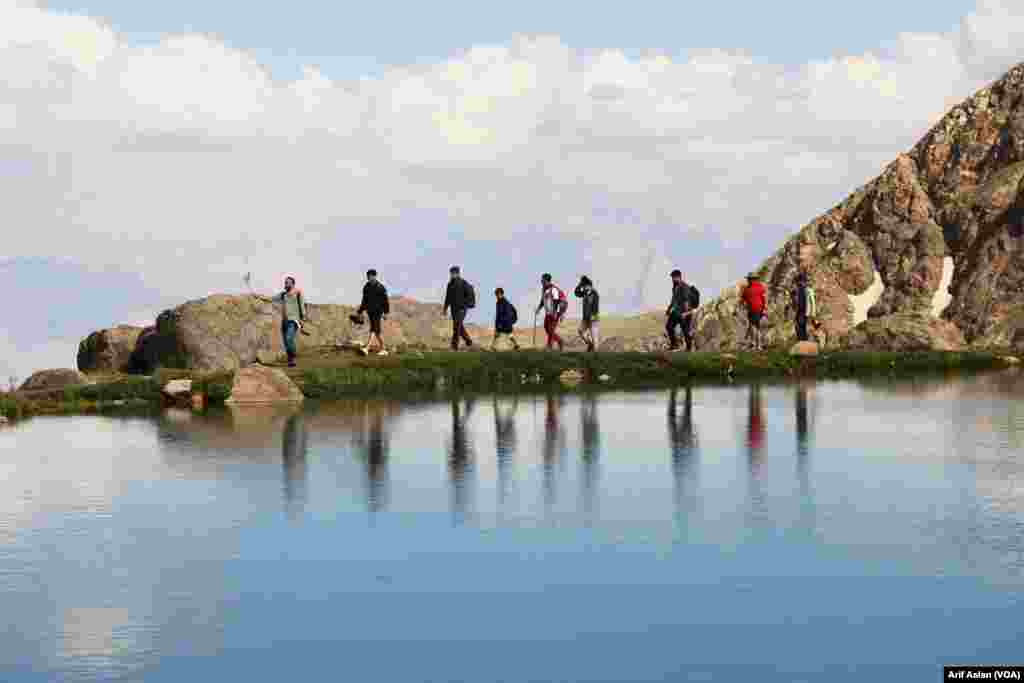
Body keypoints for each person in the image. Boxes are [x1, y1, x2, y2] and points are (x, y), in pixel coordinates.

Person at [261, 276, 307, 367]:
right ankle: (290, 360)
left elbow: (302, 305)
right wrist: (258, 296)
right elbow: (271, 299)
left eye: (287, 282)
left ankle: (293, 357)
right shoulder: (283, 294)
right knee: (286, 342)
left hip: (293, 321)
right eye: (285, 282)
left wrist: (303, 317)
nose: (285, 284)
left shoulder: (298, 293)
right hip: (284, 321)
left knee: (289, 338)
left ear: (293, 284)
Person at [356, 269, 390, 356]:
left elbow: (385, 301)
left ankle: (367, 348)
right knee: (377, 331)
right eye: (367, 276)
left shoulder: (380, 287)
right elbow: (364, 301)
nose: (368, 277)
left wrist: (386, 313)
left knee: (373, 329)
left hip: (378, 311)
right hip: (370, 311)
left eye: (369, 276)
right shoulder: (366, 287)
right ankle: (383, 349)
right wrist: (360, 311)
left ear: (374, 276)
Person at [442, 266, 475, 351]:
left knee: (456, 327)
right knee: (459, 326)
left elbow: (469, 295)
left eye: (452, 273)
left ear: (457, 273)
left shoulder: (463, 283)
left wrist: (466, 305)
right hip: (453, 309)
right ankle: (468, 341)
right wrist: (445, 309)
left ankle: (454, 346)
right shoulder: (450, 284)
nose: (451, 275)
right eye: (451, 273)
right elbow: (448, 297)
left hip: (462, 309)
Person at [666, 270, 699, 351]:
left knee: (685, 331)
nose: (672, 279)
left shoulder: (684, 287)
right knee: (669, 326)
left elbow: (687, 300)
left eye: (674, 277)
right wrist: (669, 309)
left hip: (685, 313)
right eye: (672, 277)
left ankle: (688, 348)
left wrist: (686, 313)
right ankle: (674, 345)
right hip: (677, 312)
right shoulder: (675, 287)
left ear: (678, 277)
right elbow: (674, 299)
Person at [535, 273, 567, 351]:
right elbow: (543, 300)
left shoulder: (553, 289)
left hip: (554, 312)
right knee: (547, 328)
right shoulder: (544, 289)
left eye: (542, 280)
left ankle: (556, 343)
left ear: (547, 280)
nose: (541, 281)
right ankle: (554, 344)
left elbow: (556, 301)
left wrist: (556, 313)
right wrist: (539, 309)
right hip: (548, 312)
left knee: (550, 329)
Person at [741, 272, 767, 351]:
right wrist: (765, 309)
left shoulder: (747, 289)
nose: (748, 280)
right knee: (757, 327)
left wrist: (741, 306)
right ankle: (758, 345)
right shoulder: (760, 287)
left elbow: (743, 299)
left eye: (749, 279)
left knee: (753, 327)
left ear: (751, 280)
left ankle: (755, 344)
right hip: (760, 310)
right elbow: (764, 298)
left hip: (753, 310)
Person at [574, 276, 600, 352]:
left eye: (584, 286)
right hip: (585, 318)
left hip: (593, 318)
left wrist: (593, 316)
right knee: (580, 331)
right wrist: (579, 285)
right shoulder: (585, 293)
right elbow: (576, 293)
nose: (583, 288)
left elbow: (595, 306)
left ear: (588, 285)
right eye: (583, 286)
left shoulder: (594, 293)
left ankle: (596, 353)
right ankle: (590, 344)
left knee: (594, 336)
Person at [792, 271, 817, 342]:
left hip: (803, 312)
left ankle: (803, 341)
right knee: (804, 326)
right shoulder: (808, 289)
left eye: (797, 282)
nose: (796, 284)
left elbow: (801, 303)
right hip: (807, 312)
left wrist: (798, 312)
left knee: (801, 326)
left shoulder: (801, 289)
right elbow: (812, 302)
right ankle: (805, 341)